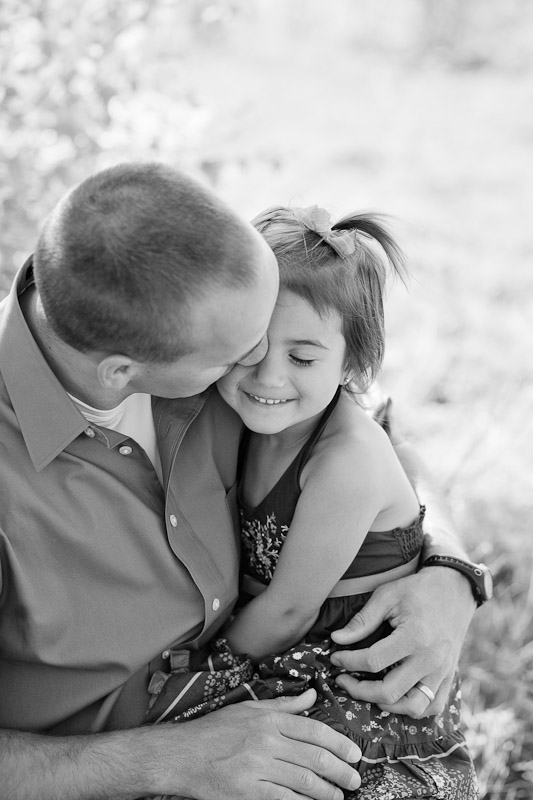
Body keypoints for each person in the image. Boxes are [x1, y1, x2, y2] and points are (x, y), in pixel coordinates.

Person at [0, 164, 487, 800]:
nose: (264, 372)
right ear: (124, 372)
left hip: (283, 689)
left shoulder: (191, 291)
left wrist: (451, 572)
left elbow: (378, 434)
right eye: (243, 354)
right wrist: (161, 760)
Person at [145, 206, 482, 798]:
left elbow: (288, 612)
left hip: (349, 674)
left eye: (301, 358)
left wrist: (200, 667)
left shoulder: (345, 460)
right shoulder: (251, 416)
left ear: (353, 364)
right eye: (250, 350)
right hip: (282, 651)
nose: (268, 378)